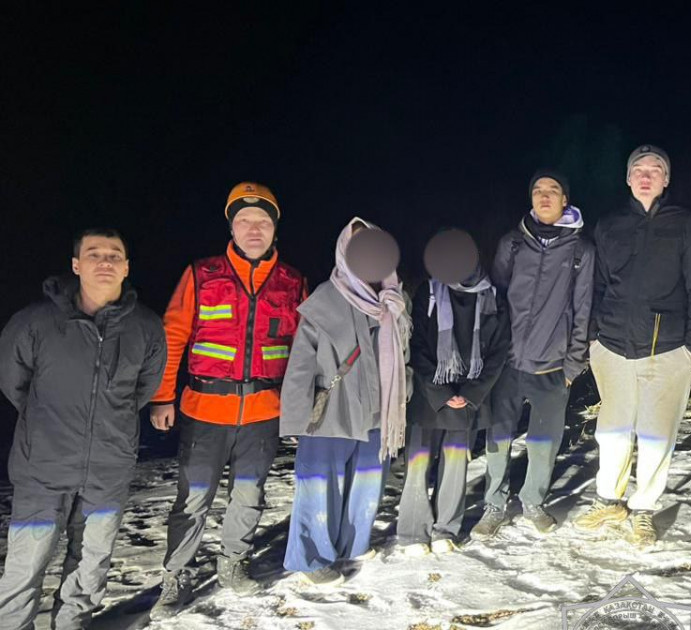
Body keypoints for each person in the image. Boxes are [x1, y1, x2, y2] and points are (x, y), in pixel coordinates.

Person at [149, 183, 307, 614]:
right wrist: (162, 397)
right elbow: (173, 335)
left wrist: (300, 408)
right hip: (205, 410)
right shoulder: (202, 273)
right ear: (231, 228)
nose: (254, 229)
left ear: (275, 228)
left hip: (264, 412)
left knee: (249, 495)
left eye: (263, 221)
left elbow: (304, 351)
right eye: (244, 221)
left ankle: (234, 563)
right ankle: (177, 575)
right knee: (193, 498)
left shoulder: (293, 282)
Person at [0, 228, 166, 629]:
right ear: (76, 265)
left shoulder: (146, 328)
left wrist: (108, 424)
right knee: (25, 567)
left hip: (108, 469)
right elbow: (14, 382)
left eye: (114, 255)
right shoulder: (35, 322)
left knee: (91, 565)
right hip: (42, 467)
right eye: (94, 254)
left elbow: (143, 389)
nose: (105, 262)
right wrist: (48, 423)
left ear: (126, 267)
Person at [574, 145, 691, 547]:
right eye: (638, 169)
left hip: (666, 347)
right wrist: (594, 336)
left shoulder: (688, 224)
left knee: (656, 434)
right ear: (628, 178)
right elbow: (598, 285)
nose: (646, 176)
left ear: (666, 180)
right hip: (612, 345)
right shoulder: (610, 224)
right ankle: (609, 500)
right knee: (612, 432)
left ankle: (644, 508)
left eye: (655, 170)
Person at [280, 219, 411, 586]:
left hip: (378, 411)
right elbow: (301, 363)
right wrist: (297, 418)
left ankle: (353, 543)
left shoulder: (394, 300)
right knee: (321, 485)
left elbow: (404, 357)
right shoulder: (326, 298)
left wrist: (404, 396)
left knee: (367, 481)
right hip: (332, 411)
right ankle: (310, 558)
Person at [472, 170, 595, 539]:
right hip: (507, 364)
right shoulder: (512, 244)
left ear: (565, 200)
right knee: (498, 437)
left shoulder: (581, 251)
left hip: (553, 366)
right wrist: (490, 354)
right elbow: (493, 301)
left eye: (552, 190)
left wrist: (573, 365)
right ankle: (494, 505)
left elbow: (583, 309)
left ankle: (532, 502)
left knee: (544, 443)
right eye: (538, 190)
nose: (544, 196)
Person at [396, 229, 510, 554]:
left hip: (469, 397)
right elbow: (417, 345)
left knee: (456, 464)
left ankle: (446, 528)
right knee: (418, 464)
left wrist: (471, 394)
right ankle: (413, 533)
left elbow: (499, 350)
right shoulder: (428, 292)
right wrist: (441, 392)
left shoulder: (493, 297)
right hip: (429, 396)